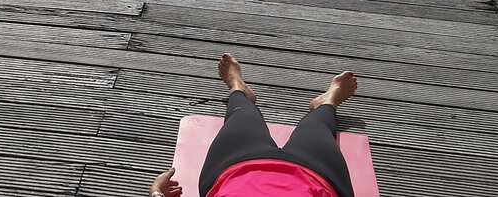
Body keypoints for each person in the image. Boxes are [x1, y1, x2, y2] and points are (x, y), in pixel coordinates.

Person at [152, 54, 358, 197]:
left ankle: (237, 89)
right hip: (317, 176)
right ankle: (327, 103)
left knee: (241, 117)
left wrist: (157, 194)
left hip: (235, 169)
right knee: (319, 126)